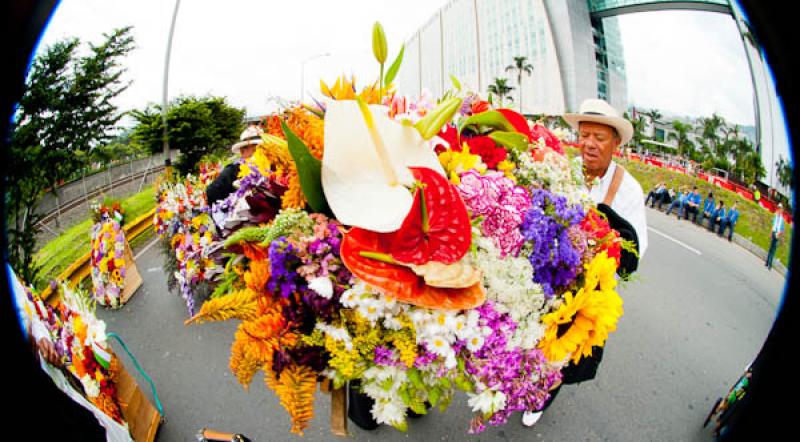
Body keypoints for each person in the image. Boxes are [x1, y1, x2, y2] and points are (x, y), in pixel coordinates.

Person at [518, 99, 648, 427]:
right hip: (548, 276)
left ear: (616, 143)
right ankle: (517, 382)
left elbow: (635, 251)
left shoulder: (629, 190)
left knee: (564, 352)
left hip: (585, 290)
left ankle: (540, 398)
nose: (589, 143)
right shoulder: (562, 168)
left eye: (599, 137)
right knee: (532, 338)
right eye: (584, 134)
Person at [205, 124, 263, 205]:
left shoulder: (270, 166)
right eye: (255, 149)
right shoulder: (233, 169)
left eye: (262, 148)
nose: (261, 151)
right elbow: (211, 192)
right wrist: (230, 203)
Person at [765, 203, 785, 270]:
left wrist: (779, 233)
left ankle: (769, 264)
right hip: (773, 233)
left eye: (780, 208)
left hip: (777, 234)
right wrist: (771, 233)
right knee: (771, 248)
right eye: (778, 208)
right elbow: (773, 225)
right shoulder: (775, 216)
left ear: (782, 210)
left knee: (773, 250)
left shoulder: (782, 219)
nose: (779, 209)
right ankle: (767, 262)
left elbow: (782, 229)